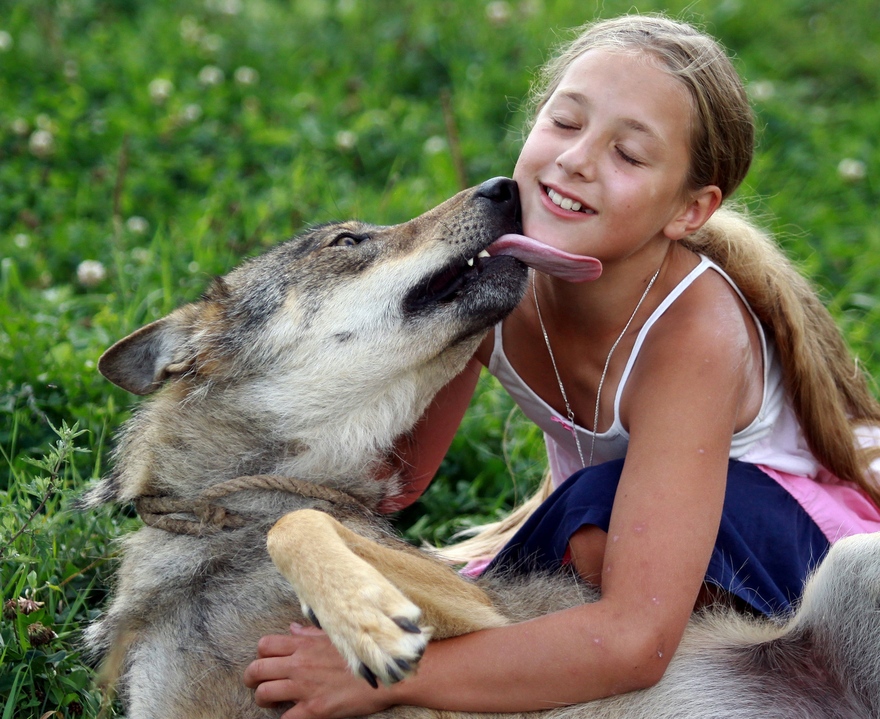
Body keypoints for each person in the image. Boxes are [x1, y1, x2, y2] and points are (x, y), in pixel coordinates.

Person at [243, 14, 880, 718]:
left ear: (690, 209)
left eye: (628, 155)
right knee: (574, 539)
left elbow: (636, 638)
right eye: (565, 121)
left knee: (589, 528)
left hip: (786, 552)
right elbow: (391, 481)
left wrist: (392, 674)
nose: (576, 159)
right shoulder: (495, 277)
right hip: (616, 535)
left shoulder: (694, 334)